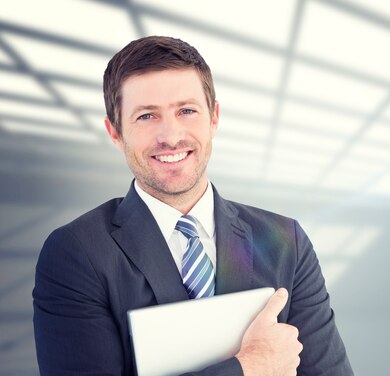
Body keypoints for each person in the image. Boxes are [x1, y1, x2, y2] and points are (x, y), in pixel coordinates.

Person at [32, 36, 353, 376]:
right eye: (146, 116)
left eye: (186, 111)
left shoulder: (286, 240)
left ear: (213, 117)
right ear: (115, 132)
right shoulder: (77, 253)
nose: (171, 136)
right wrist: (251, 367)